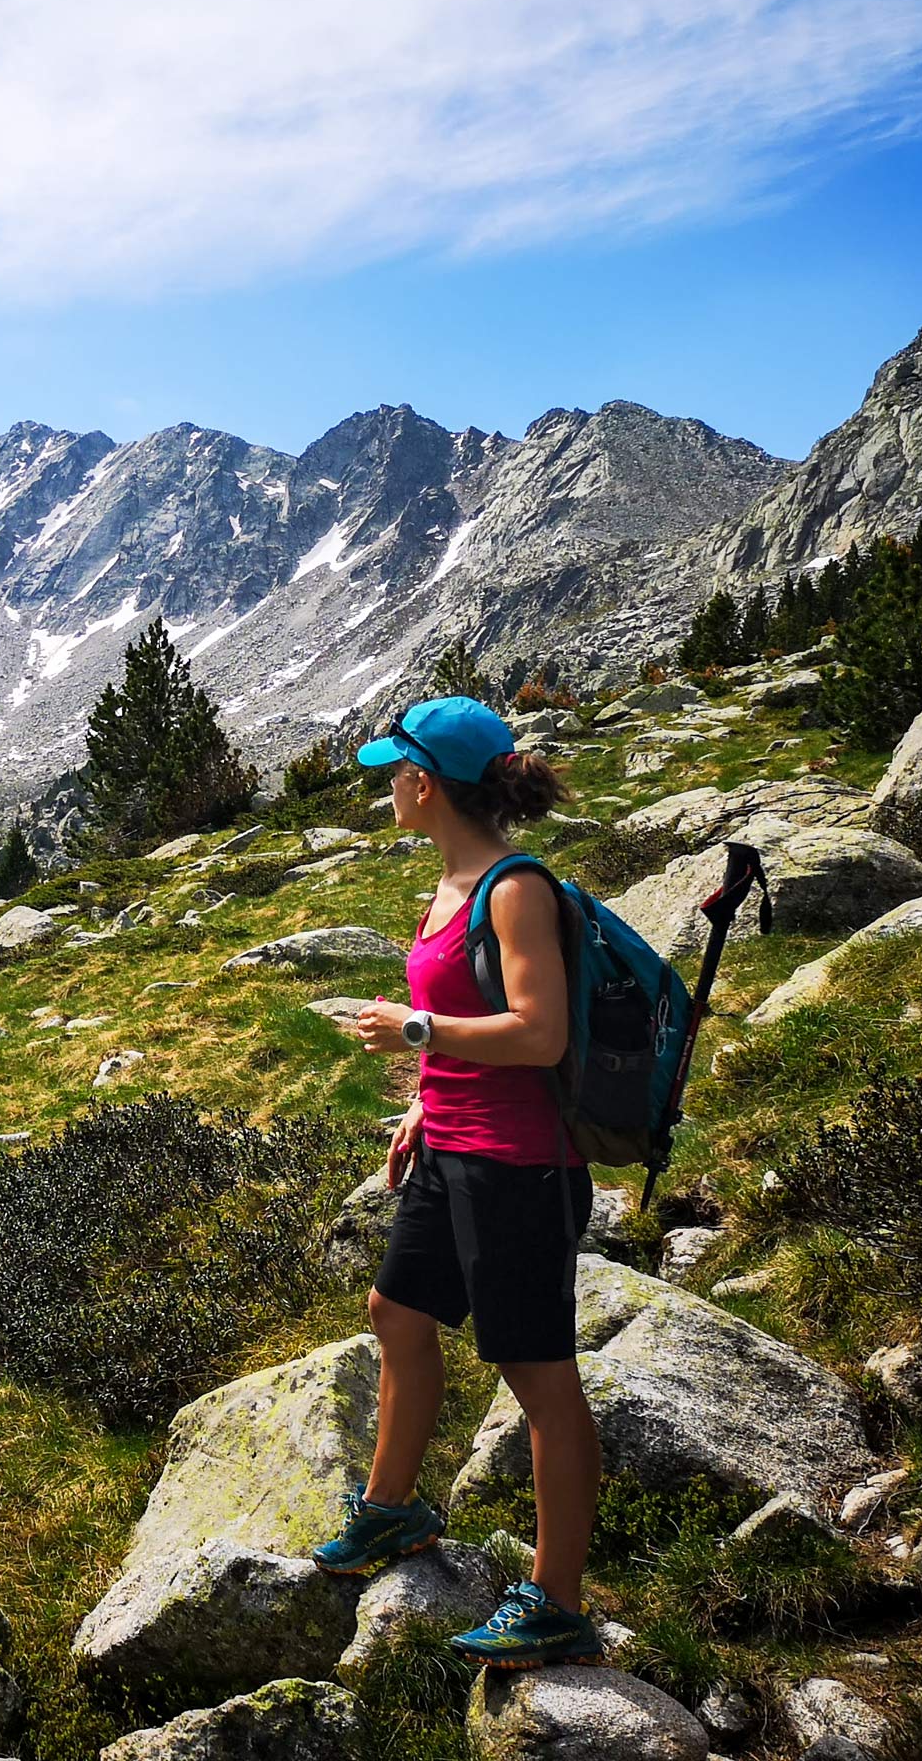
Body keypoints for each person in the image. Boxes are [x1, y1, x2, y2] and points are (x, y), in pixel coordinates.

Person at [307, 694, 604, 1670]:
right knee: (395, 1308)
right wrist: (421, 1108)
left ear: (426, 783)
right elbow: (471, 1026)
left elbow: (539, 1033)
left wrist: (412, 1033)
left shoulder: (513, 889)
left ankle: (557, 1600)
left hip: (520, 1170)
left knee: (537, 1380)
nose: (388, 784)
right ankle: (391, 1510)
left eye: (396, 770)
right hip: (453, 1149)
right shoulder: (448, 886)